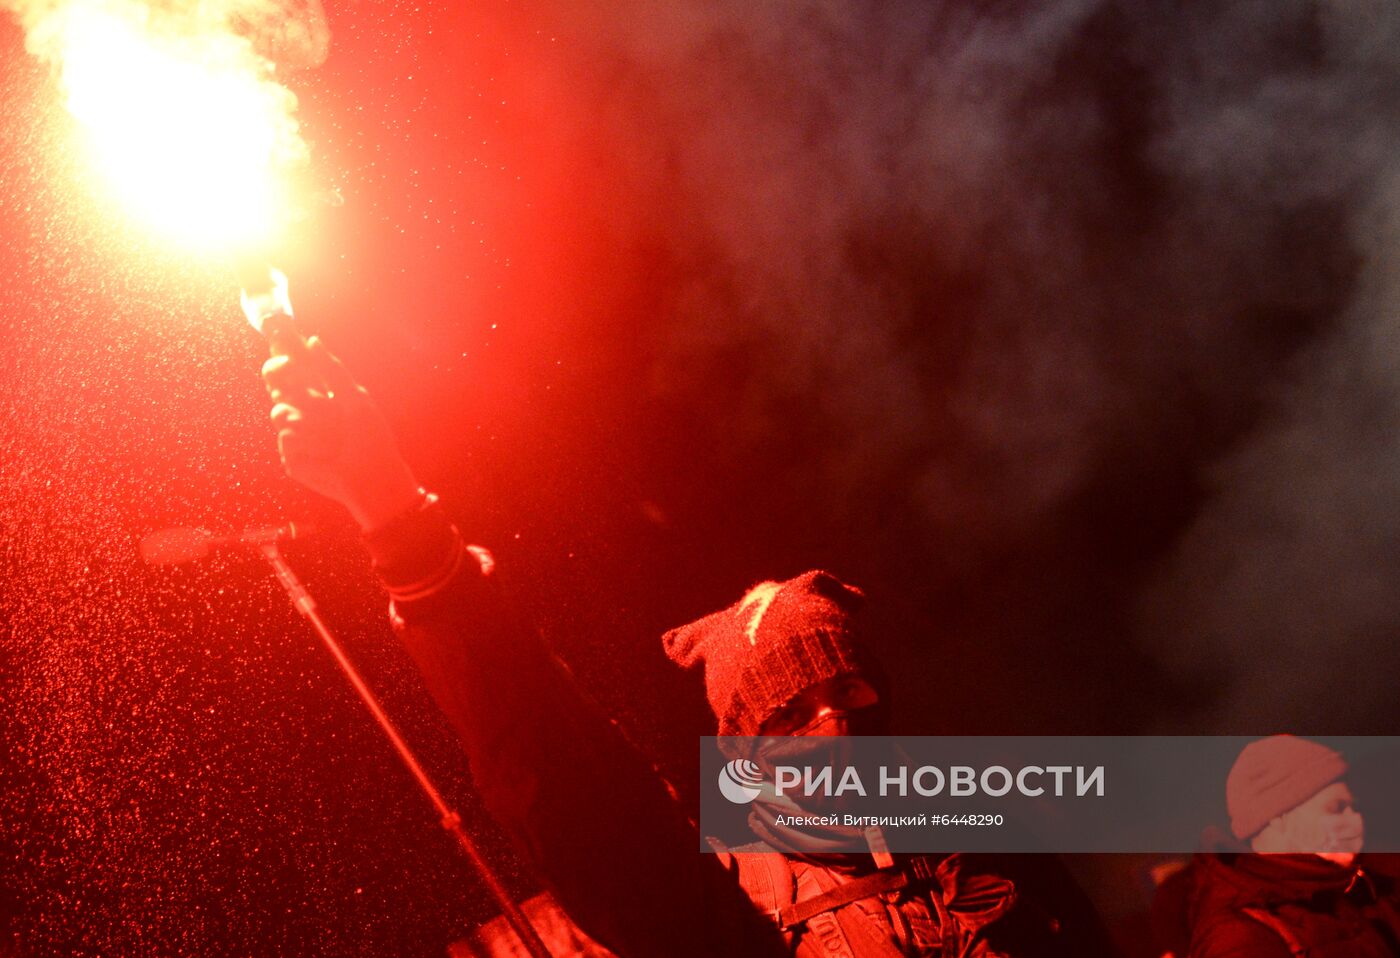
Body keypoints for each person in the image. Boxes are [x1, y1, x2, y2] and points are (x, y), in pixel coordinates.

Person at [261, 336, 1113, 957]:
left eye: (845, 693)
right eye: (786, 709)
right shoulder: (729, 909)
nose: (829, 726)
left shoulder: (994, 844)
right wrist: (401, 525)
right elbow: (577, 792)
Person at [1186, 735, 1400, 958]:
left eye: (1354, 808)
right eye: (1336, 808)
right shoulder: (1241, 939)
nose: (1357, 822)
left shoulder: (1358, 895)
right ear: (1276, 819)